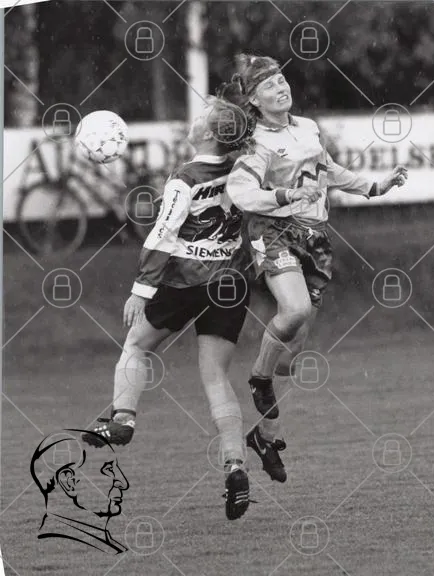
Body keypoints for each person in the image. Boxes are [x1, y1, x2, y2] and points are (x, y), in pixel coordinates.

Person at [84, 95, 304, 519]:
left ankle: (123, 419)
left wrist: (141, 290)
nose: (194, 119)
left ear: (207, 134)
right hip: (231, 284)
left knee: (136, 346)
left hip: (184, 281)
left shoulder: (185, 178)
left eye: (202, 116)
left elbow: (162, 234)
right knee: (216, 375)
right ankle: (235, 464)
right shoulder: (243, 169)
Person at [225, 54, 408, 482]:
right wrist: (284, 196)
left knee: (291, 357)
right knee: (295, 310)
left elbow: (328, 171)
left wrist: (374, 186)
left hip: (314, 237)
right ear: (254, 100)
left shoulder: (307, 128)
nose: (280, 88)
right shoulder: (255, 143)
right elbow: (241, 191)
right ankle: (258, 379)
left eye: (282, 80)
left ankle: (264, 437)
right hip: (274, 231)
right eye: (269, 85)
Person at [30, 430, 129, 554]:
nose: (123, 483)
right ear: (69, 482)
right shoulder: (66, 550)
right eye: (108, 469)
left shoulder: (103, 544)